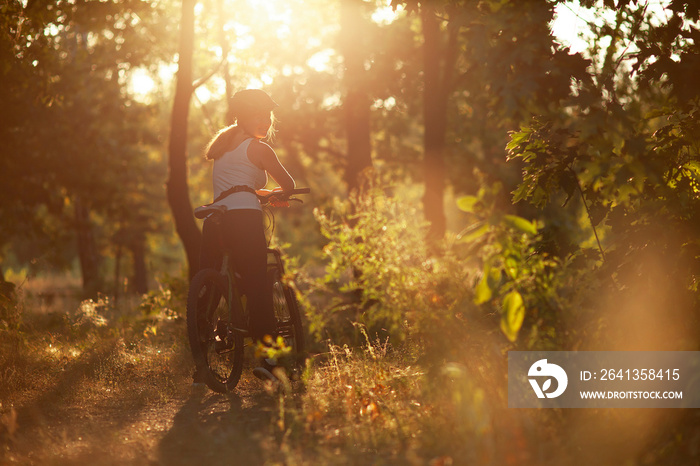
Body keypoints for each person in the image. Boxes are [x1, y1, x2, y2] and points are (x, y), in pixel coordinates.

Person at [199, 89, 295, 378]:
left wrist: (258, 192)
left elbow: (235, 183)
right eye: (259, 115)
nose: (265, 121)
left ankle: (201, 353)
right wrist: (278, 194)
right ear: (243, 117)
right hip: (244, 218)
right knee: (257, 286)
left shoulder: (223, 147)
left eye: (268, 116)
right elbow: (288, 184)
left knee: (211, 285)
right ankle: (268, 362)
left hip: (215, 217)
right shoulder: (259, 149)